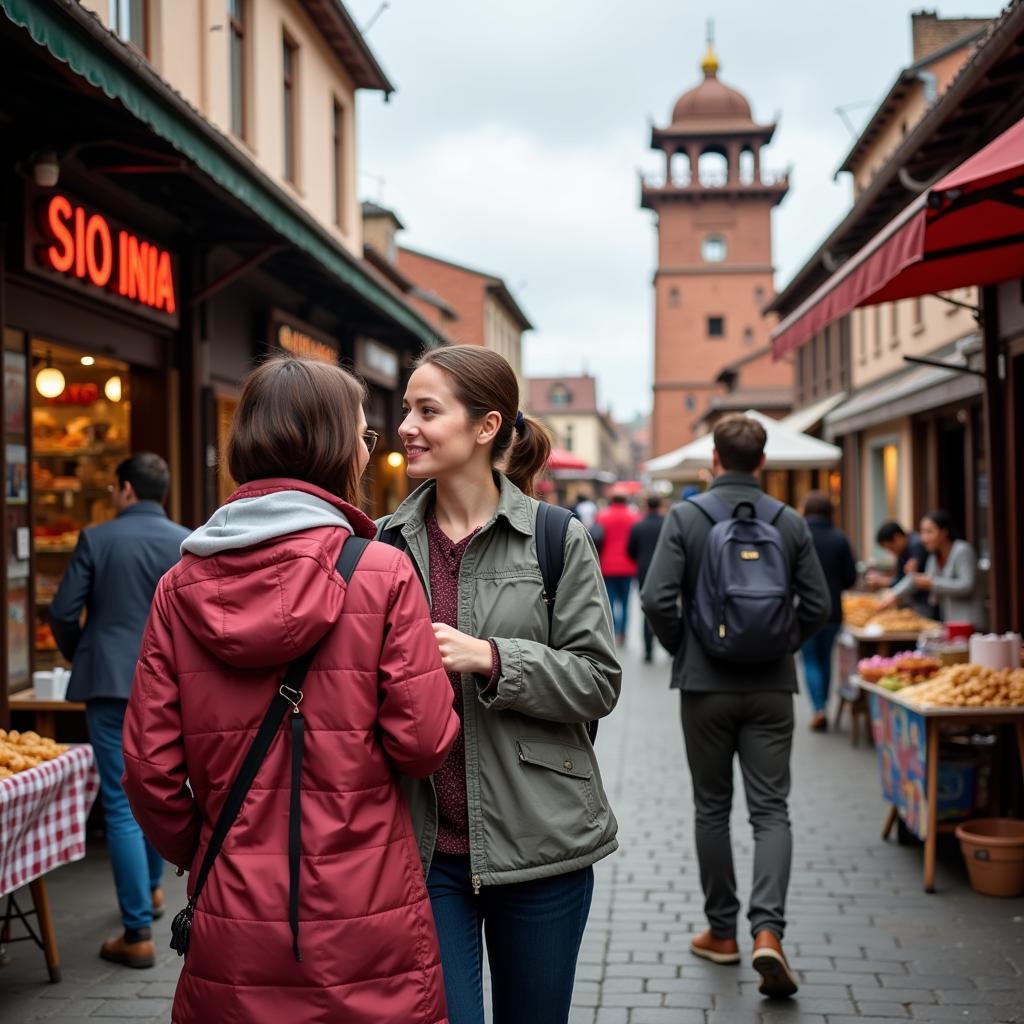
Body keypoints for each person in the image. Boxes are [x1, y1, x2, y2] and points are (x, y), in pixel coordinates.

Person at [121, 358, 460, 1023]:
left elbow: (148, 772)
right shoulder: (383, 571)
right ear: (333, 446)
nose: (371, 448)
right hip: (369, 905)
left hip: (233, 907)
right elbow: (423, 744)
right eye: (362, 434)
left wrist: (212, 848)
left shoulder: (178, 585)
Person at [383, 344, 621, 1024]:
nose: (408, 427)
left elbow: (599, 680)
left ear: (486, 427)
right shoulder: (381, 546)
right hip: (424, 854)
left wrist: (491, 657)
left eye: (428, 411)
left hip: (542, 846)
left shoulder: (555, 537)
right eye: (406, 410)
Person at [640, 414, 829, 999]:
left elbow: (655, 598)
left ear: (714, 461)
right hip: (773, 686)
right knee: (771, 811)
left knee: (712, 808)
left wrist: (688, 650)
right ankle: (768, 931)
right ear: (763, 463)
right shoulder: (789, 520)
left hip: (705, 686)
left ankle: (722, 933)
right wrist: (780, 645)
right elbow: (818, 603)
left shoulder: (687, 516)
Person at [49, 453, 189, 969]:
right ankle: (152, 891)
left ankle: (137, 931)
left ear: (124, 489)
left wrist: (82, 652)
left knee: (119, 799)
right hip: (170, 683)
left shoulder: (97, 538)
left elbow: (63, 611)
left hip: (108, 682)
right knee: (158, 782)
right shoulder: (186, 539)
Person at [800, 491, 857, 731]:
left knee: (810, 660)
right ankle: (825, 707)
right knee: (826, 659)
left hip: (803, 609)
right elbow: (850, 577)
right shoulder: (839, 538)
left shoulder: (799, 536)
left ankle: (819, 708)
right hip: (833, 609)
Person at [881, 509, 985, 627]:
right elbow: (918, 580)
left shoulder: (962, 550)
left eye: (929, 532)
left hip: (970, 622)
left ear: (944, 532)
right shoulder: (934, 556)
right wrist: (894, 594)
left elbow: (966, 586)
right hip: (951, 623)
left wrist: (932, 583)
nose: (924, 538)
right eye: (922, 532)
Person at [596, 493, 641, 645]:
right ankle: (623, 632)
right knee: (626, 602)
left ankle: (613, 630)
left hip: (607, 566)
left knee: (609, 602)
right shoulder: (634, 517)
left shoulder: (602, 516)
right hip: (628, 566)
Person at [627, 494, 666, 662]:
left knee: (647, 609)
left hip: (644, 572)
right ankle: (667, 645)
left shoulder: (638, 526)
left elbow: (630, 551)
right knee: (666, 608)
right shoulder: (667, 524)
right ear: (660, 506)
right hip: (665, 571)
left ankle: (648, 650)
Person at [867, 521, 931, 619]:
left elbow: (911, 578)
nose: (890, 551)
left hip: (925, 601)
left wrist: (891, 591)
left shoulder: (916, 545)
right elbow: (902, 578)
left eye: (889, 547)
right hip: (917, 599)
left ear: (897, 538)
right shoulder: (903, 550)